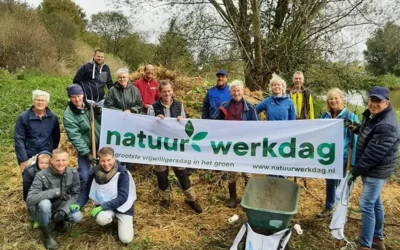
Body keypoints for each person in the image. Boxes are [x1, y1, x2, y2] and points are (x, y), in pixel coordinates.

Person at [348, 86, 400, 250]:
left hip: (376, 171)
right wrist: (356, 128)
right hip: (372, 169)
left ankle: (365, 245)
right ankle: (378, 238)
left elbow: (372, 155)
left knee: (366, 205)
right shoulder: (374, 115)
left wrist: (354, 172)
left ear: (386, 103)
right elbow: (369, 131)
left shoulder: (387, 125)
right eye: (372, 100)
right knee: (375, 203)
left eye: (378, 102)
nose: (373, 104)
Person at [147, 80, 203, 213]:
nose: (167, 94)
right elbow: (147, 127)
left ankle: (191, 199)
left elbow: (185, 127)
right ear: (159, 92)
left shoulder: (179, 105)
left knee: (182, 173)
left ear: (172, 91)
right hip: (159, 147)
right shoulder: (153, 108)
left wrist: (181, 121)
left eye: (169, 91)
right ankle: (165, 199)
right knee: (161, 174)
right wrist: (155, 121)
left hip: (176, 147)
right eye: (164, 91)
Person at [71, 147, 136, 244]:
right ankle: (111, 220)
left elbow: (123, 197)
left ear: (114, 158)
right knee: (101, 219)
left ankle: (123, 220)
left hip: (123, 208)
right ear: (99, 160)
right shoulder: (94, 172)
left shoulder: (122, 173)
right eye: (102, 161)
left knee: (126, 239)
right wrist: (79, 203)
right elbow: (86, 190)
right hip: (106, 206)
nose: (106, 164)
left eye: (109, 160)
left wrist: (101, 207)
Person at [212, 80, 259, 208]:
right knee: (231, 172)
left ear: (243, 92)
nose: (236, 93)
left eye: (239, 90)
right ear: (230, 92)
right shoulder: (225, 106)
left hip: (245, 146)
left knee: (247, 173)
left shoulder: (250, 107)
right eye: (234, 91)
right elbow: (214, 121)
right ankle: (232, 198)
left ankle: (248, 200)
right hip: (230, 145)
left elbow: (257, 126)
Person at [26, 149, 82, 250]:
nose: (61, 163)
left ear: (68, 160)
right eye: (57, 160)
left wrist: (64, 211)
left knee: (77, 216)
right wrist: (55, 192)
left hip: (61, 205)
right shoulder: (41, 175)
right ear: (51, 161)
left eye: (63, 160)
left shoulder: (73, 172)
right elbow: (30, 199)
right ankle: (46, 236)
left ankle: (59, 221)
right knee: (44, 204)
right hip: (45, 209)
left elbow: (76, 194)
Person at [318, 88, 359, 218]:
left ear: (342, 99)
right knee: (330, 183)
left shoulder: (351, 117)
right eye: (331, 99)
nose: (333, 101)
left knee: (344, 184)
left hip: (344, 156)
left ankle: (341, 209)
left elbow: (356, 139)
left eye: (336, 98)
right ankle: (329, 207)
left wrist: (353, 162)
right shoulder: (325, 116)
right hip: (329, 156)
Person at [63, 84, 101, 191]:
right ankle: (86, 194)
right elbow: (75, 136)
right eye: (73, 96)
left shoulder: (92, 105)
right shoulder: (69, 115)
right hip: (85, 147)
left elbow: (105, 121)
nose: (77, 99)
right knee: (84, 174)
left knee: (105, 168)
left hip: (101, 144)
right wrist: (86, 153)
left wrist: (99, 114)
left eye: (79, 95)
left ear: (83, 94)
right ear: (69, 98)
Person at [14, 90, 60, 173]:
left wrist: (52, 155)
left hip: (46, 156)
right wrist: (23, 159)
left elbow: (56, 137)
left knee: (47, 181)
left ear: (47, 103)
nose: (40, 102)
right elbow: (19, 139)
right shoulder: (23, 117)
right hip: (29, 156)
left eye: (43, 100)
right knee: (29, 181)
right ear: (33, 101)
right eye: (37, 100)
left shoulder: (53, 117)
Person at [23, 151, 52, 229]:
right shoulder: (29, 171)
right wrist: (27, 199)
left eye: (47, 163)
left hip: (48, 193)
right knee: (33, 205)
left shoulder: (53, 171)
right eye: (42, 163)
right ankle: (36, 218)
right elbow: (26, 186)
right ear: (37, 162)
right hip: (34, 193)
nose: (44, 165)